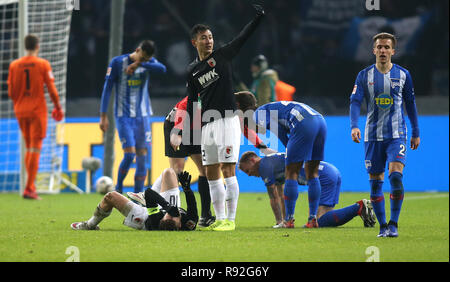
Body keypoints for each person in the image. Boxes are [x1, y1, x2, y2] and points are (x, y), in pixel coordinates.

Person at [184, 4, 265, 231]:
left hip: (227, 120)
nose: (209, 41)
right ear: (194, 42)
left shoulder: (222, 55)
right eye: (203, 38)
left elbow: (242, 38)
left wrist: (257, 18)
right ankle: (219, 219)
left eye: (210, 37)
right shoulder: (192, 71)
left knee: (228, 169)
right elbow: (192, 102)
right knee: (210, 172)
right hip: (207, 125)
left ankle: (230, 219)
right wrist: (186, 129)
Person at [167, 94, 276, 228]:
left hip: (197, 130)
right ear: (238, 105)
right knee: (177, 170)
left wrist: (262, 147)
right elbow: (184, 106)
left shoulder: (229, 109)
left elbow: (244, 127)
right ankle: (171, 213)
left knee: (206, 170)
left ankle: (205, 216)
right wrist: (177, 130)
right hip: (176, 123)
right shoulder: (211, 97)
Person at [350, 32, 420, 238]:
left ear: (393, 51)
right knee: (375, 181)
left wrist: (416, 131)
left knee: (396, 176)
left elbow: (410, 103)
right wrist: (354, 125)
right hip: (372, 135)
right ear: (373, 50)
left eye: (386, 47)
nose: (382, 50)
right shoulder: (364, 75)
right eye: (379, 47)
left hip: (396, 134)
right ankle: (382, 227)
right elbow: (355, 102)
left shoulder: (403, 75)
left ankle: (394, 223)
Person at [234, 91, 326, 228]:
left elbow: (277, 129)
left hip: (303, 122)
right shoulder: (268, 108)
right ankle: (312, 219)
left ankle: (288, 220)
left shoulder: (257, 114)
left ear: (238, 105)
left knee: (291, 172)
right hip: (320, 121)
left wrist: (290, 150)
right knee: (312, 173)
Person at [238, 151, 376, 228]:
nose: (249, 174)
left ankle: (359, 207)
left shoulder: (264, 166)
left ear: (253, 160)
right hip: (329, 171)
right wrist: (284, 221)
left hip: (323, 176)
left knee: (319, 223)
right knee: (325, 219)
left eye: (247, 170)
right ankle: (360, 209)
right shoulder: (272, 162)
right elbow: (281, 195)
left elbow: (274, 197)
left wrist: (280, 222)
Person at [99, 40, 166, 193]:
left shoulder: (147, 62)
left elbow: (162, 69)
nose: (143, 61)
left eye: (146, 60)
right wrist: (103, 116)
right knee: (129, 155)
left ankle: (138, 196)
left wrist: (140, 64)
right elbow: (107, 89)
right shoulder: (117, 63)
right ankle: (118, 189)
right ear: (137, 50)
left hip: (142, 117)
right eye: (141, 58)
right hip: (124, 117)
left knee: (142, 158)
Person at [7, 34, 64, 200]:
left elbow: (10, 92)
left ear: (25, 46)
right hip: (37, 110)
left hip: (20, 110)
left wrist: (20, 102)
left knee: (29, 147)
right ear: (37, 46)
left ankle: (29, 185)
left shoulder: (14, 65)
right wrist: (58, 107)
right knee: (35, 148)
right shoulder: (42, 64)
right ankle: (29, 188)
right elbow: (52, 89)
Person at [71, 170, 198, 231]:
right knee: (169, 173)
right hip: (164, 205)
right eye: (173, 215)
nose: (173, 213)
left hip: (144, 218)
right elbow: (193, 208)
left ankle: (90, 225)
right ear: (180, 223)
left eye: (169, 215)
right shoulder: (189, 223)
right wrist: (187, 189)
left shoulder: (156, 219)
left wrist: (166, 207)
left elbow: (149, 192)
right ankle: (146, 200)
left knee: (110, 197)